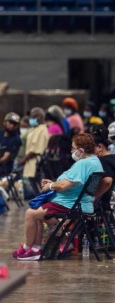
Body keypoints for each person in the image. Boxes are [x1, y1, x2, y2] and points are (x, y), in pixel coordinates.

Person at [11, 133, 104, 261]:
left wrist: (50, 186)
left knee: (30, 213)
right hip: (80, 203)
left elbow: (65, 185)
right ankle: (36, 249)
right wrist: (53, 183)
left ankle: (27, 247)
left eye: (73, 148)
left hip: (69, 204)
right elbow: (75, 183)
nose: (72, 151)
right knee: (36, 214)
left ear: (81, 150)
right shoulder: (95, 162)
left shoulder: (83, 164)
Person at [20, 107, 49, 194]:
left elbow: (37, 150)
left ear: (39, 117)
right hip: (30, 162)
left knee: (41, 189)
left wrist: (24, 159)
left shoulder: (42, 130)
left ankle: (43, 205)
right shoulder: (35, 128)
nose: (31, 119)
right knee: (34, 186)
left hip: (36, 163)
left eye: (33, 117)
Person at [0, 113, 22, 178]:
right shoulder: (0, 133)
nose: (12, 125)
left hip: (5, 172)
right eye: (10, 122)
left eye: (15, 124)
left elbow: (5, 158)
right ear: (5, 122)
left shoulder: (16, 139)